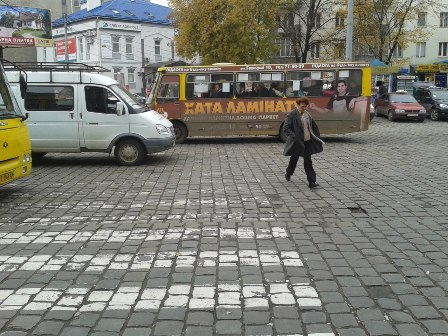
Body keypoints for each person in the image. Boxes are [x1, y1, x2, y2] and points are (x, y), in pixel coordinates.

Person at [283, 97, 324, 188]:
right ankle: (288, 173)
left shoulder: (307, 115)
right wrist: (294, 136)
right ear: (297, 105)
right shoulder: (292, 114)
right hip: (297, 142)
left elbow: (312, 126)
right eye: (302, 106)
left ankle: (311, 181)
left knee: (308, 161)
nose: (304, 108)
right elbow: (286, 128)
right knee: (294, 159)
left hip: (307, 141)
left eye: (305, 106)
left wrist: (315, 136)